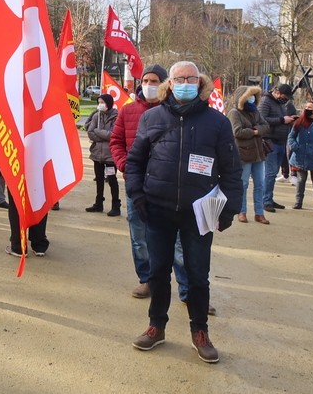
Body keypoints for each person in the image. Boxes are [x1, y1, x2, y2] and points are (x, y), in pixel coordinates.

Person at [126, 61, 241, 364]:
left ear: (200, 82)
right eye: (180, 78)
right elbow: (135, 161)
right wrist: (137, 195)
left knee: (197, 276)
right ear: (170, 83)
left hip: (199, 212)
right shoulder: (152, 118)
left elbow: (231, 170)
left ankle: (200, 332)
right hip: (158, 210)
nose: (186, 83)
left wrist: (230, 208)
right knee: (158, 272)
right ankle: (156, 326)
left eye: (191, 78)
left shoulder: (217, 123)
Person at [109, 64, 193, 305]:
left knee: (177, 240)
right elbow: (116, 141)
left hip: (166, 185)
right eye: (145, 80)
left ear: (165, 83)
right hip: (136, 183)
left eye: (154, 80)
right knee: (139, 236)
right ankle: (148, 279)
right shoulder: (127, 111)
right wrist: (126, 165)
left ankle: (187, 288)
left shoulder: (175, 112)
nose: (149, 85)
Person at [227, 85, 270, 224]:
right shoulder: (235, 113)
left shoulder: (255, 111)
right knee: (243, 184)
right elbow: (237, 132)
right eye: (249, 96)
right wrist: (255, 132)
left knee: (260, 184)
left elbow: (266, 126)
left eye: (254, 96)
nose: (252, 99)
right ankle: (242, 211)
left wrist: (256, 130)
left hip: (258, 153)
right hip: (244, 153)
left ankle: (259, 213)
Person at [259, 83, 297, 212]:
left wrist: (289, 120)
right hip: (270, 142)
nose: (286, 99)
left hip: (281, 141)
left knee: (273, 173)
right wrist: (282, 120)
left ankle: (269, 198)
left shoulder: (280, 103)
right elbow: (262, 119)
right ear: (278, 93)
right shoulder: (265, 101)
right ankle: (266, 201)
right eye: (285, 96)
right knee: (270, 173)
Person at [86, 93, 121, 216]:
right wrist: (102, 134)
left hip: (110, 156)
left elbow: (113, 135)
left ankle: (116, 205)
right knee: (99, 180)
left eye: (102, 102)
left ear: (109, 103)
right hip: (97, 155)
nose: (100, 105)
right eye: (99, 102)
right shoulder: (96, 116)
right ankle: (98, 203)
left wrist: (98, 132)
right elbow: (90, 132)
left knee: (112, 180)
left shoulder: (117, 117)